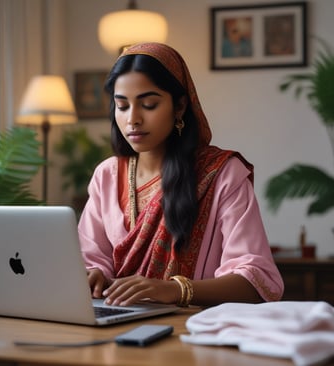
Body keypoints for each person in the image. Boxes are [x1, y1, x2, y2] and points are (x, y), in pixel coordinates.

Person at [78, 42, 284, 308]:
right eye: (122, 106)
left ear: (180, 106)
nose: (133, 119)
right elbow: (91, 259)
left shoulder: (221, 174)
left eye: (149, 104)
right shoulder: (107, 175)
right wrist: (95, 275)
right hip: (114, 324)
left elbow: (257, 280)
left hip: (194, 331)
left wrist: (176, 290)